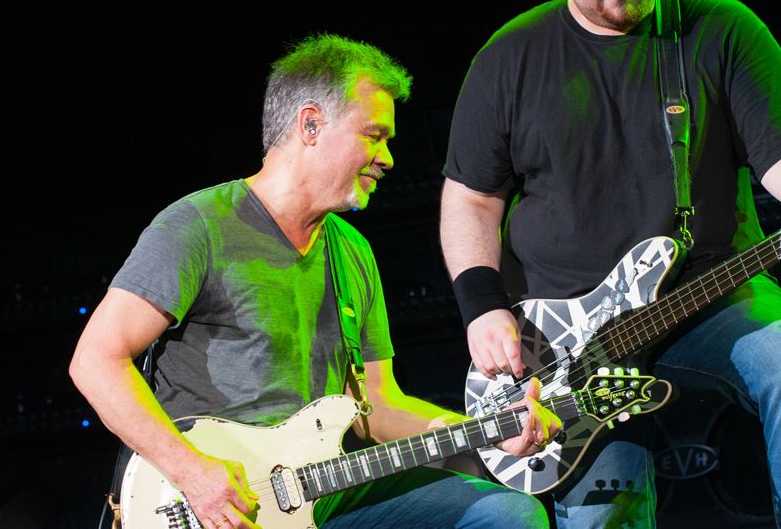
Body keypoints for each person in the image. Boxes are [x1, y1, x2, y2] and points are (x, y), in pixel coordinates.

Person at [440, 0, 781, 528]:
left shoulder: (718, 27)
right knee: (607, 514)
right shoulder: (509, 59)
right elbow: (471, 199)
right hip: (571, 341)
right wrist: (483, 309)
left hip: (708, 293)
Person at [70, 33, 560, 529]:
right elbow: (95, 360)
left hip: (323, 494)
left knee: (506, 515)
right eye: (374, 135)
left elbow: (378, 406)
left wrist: (487, 430)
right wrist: (192, 472)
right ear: (311, 124)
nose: (388, 158)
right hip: (209, 504)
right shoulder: (198, 227)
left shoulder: (351, 251)